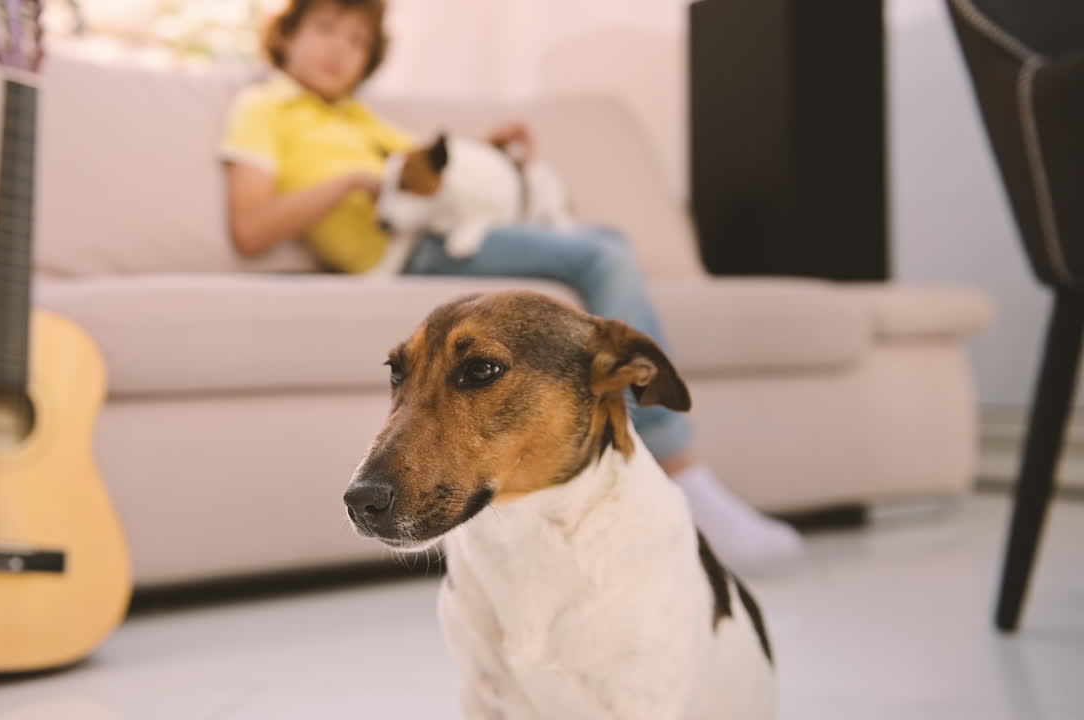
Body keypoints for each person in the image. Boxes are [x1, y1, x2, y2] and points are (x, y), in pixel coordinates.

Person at [219, 0, 803, 569]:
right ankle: (682, 472)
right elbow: (251, 227)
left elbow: (438, 178)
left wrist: (492, 152)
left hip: (443, 231)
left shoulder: (364, 119)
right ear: (286, 36)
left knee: (601, 243)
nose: (339, 50)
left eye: (357, 41)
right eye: (325, 29)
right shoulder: (263, 108)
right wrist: (349, 181)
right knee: (603, 256)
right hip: (406, 251)